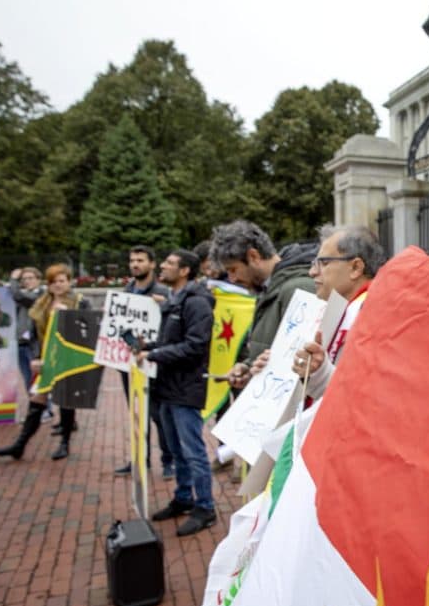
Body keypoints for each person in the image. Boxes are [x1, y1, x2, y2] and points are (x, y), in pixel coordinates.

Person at [140, 250, 216, 537]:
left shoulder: (196, 303)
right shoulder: (174, 301)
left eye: (170, 263)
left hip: (186, 389)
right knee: (176, 449)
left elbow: (196, 345)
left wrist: (156, 353)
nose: (163, 266)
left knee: (193, 451)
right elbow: (170, 340)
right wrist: (148, 347)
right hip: (168, 388)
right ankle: (184, 498)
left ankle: (206, 507)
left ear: (185, 271)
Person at [0, 263, 89, 461]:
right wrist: (36, 357)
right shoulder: (42, 302)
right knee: (36, 400)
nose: (58, 285)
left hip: (69, 359)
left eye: (62, 281)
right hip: (46, 359)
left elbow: (87, 331)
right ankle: (19, 445)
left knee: (66, 402)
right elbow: (33, 334)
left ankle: (65, 443)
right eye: (53, 282)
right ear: (48, 284)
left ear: (69, 282)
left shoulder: (79, 302)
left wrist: (68, 317)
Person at [209, 220, 317, 389]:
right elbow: (274, 347)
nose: (232, 279)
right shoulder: (272, 287)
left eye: (233, 269)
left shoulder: (297, 288)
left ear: (253, 256)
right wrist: (248, 367)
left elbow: (306, 358)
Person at [290, 225, 386, 399]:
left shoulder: (376, 314)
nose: (312, 272)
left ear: (356, 268)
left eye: (324, 263)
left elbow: (370, 394)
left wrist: (320, 372)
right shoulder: (342, 310)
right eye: (314, 264)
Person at [114, 245, 174, 478]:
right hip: (130, 360)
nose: (135, 264)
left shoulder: (162, 292)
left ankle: (168, 461)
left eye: (140, 260)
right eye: (132, 260)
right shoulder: (126, 291)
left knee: (159, 415)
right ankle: (140, 458)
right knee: (137, 413)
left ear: (151, 264)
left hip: (154, 360)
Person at [9, 267, 44, 386]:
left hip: (33, 346)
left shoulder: (40, 296)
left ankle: (42, 405)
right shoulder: (24, 296)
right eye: (24, 279)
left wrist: (13, 280)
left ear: (39, 280)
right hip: (20, 344)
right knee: (27, 381)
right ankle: (33, 404)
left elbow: (19, 296)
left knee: (37, 381)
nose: (27, 281)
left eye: (30, 278)